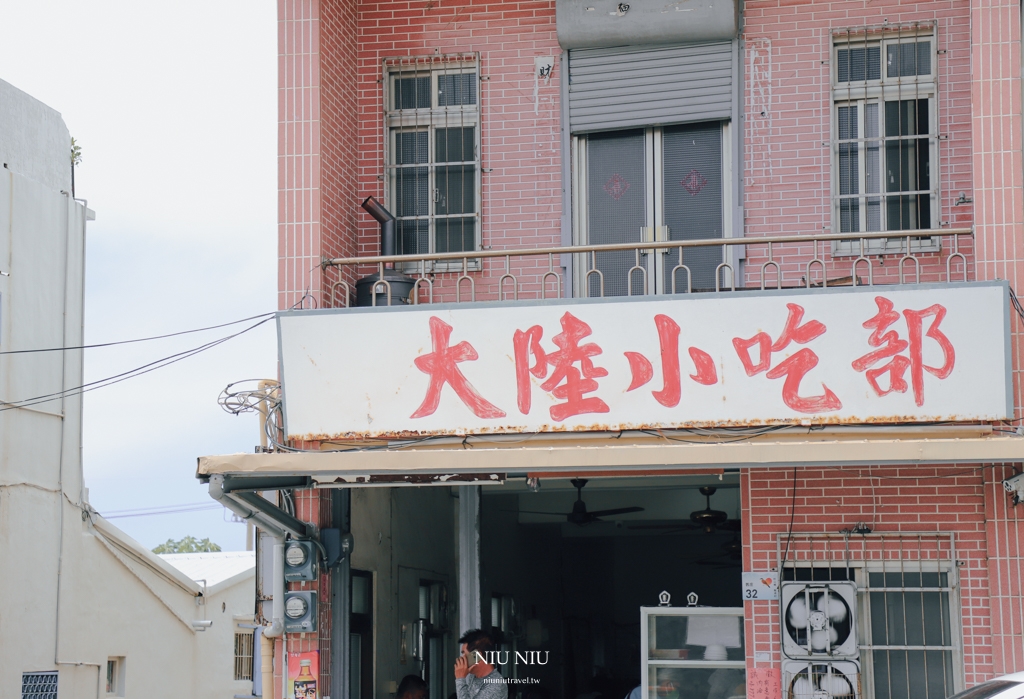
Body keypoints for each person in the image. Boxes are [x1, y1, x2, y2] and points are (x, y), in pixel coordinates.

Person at [453, 629, 508, 699]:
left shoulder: (496, 683)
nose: (461, 658)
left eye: (464, 653)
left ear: (476, 655)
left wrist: (460, 679)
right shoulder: (471, 677)